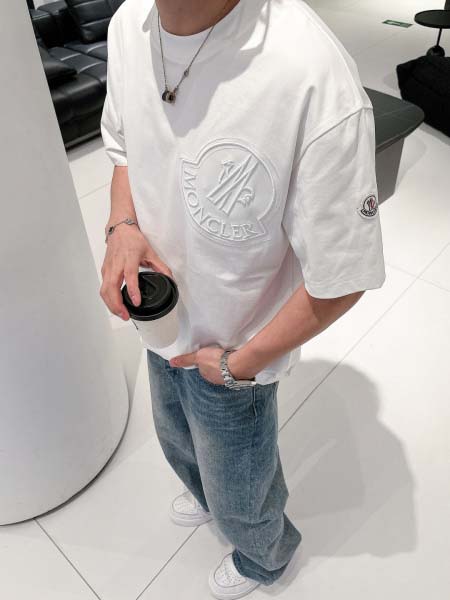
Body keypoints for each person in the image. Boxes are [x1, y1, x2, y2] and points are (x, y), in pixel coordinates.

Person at [99, 0, 386, 597]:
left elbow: (343, 274)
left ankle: (265, 559)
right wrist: (123, 226)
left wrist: (239, 363)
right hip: (157, 313)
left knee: (242, 488)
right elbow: (123, 146)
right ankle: (207, 495)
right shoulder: (129, 22)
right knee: (176, 438)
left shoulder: (312, 76)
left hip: (236, 348)